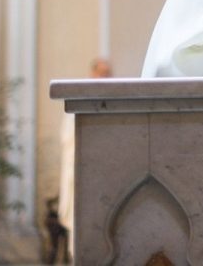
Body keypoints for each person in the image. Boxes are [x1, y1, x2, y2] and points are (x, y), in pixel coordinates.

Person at [57, 57, 112, 261]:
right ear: (92, 74)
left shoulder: (116, 103)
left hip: (105, 174)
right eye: (101, 73)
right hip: (82, 171)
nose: (105, 78)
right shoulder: (80, 100)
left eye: (108, 74)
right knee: (80, 220)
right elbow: (68, 139)